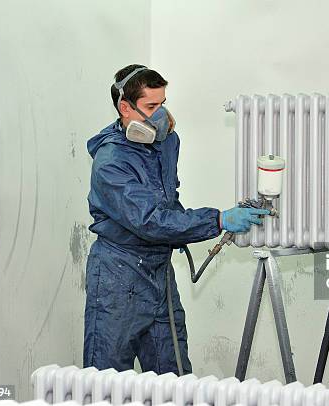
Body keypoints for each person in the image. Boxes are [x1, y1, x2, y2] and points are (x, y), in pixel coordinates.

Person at [83, 64, 269, 374]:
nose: (160, 115)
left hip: (159, 272)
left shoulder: (166, 142)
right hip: (118, 276)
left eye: (163, 103)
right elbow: (150, 220)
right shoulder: (110, 163)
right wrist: (218, 220)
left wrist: (197, 224)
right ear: (125, 108)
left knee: (174, 375)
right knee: (107, 382)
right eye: (151, 106)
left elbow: (168, 203)